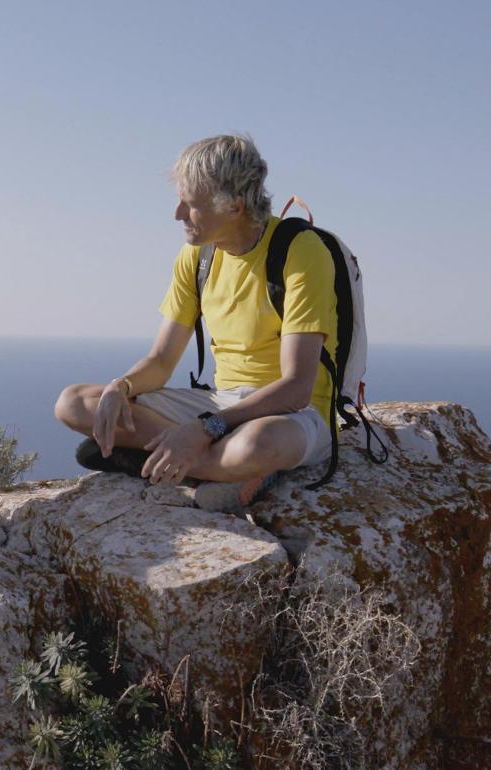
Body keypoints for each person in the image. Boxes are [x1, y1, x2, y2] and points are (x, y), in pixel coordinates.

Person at [54, 134, 337, 513]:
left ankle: (156, 459)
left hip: (292, 416)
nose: (178, 214)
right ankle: (211, 467)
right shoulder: (198, 257)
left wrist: (205, 429)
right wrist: (121, 387)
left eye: (190, 204)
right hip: (223, 402)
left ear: (234, 206)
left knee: (256, 445)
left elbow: (296, 388)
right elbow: (161, 360)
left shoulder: (300, 251)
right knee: (75, 403)